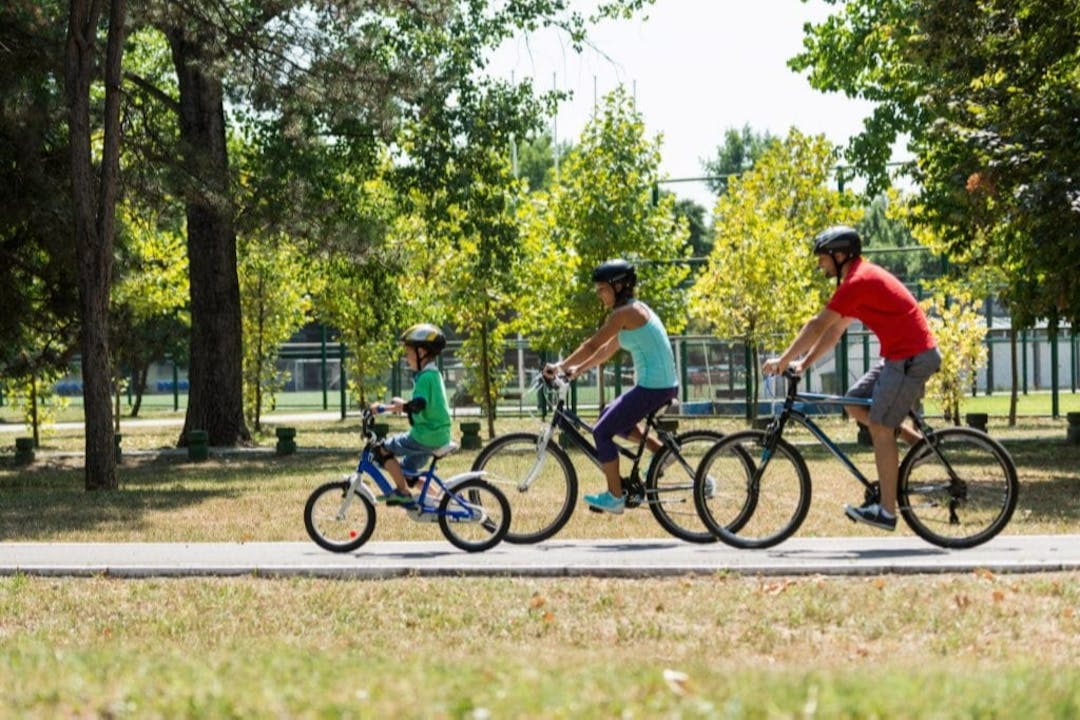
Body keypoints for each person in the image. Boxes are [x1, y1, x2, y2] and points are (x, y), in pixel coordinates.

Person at [762, 226, 941, 531]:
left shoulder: (858, 281)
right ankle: (919, 446)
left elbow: (817, 324)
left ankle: (886, 511)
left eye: (823, 258)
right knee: (855, 404)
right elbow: (835, 329)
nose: (820, 265)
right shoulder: (856, 280)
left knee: (882, 427)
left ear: (840, 255)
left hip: (910, 356)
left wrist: (783, 360)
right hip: (898, 356)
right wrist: (804, 363)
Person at [543, 259, 679, 515]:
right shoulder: (632, 310)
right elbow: (606, 350)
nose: (599, 294)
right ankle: (660, 451)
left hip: (654, 388)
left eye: (602, 288)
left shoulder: (625, 314)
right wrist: (577, 370)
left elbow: (592, 345)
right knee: (608, 414)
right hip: (658, 386)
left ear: (618, 287)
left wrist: (559, 366)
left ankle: (615, 496)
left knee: (602, 432)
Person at [369, 323, 453, 507]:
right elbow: (421, 403)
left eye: (408, 353)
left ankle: (402, 493)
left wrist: (384, 408)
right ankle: (441, 500)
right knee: (408, 473)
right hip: (437, 435)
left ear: (421, 352)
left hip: (425, 436)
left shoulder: (425, 377)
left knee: (381, 450)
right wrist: (401, 404)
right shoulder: (433, 375)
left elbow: (417, 406)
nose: (406, 358)